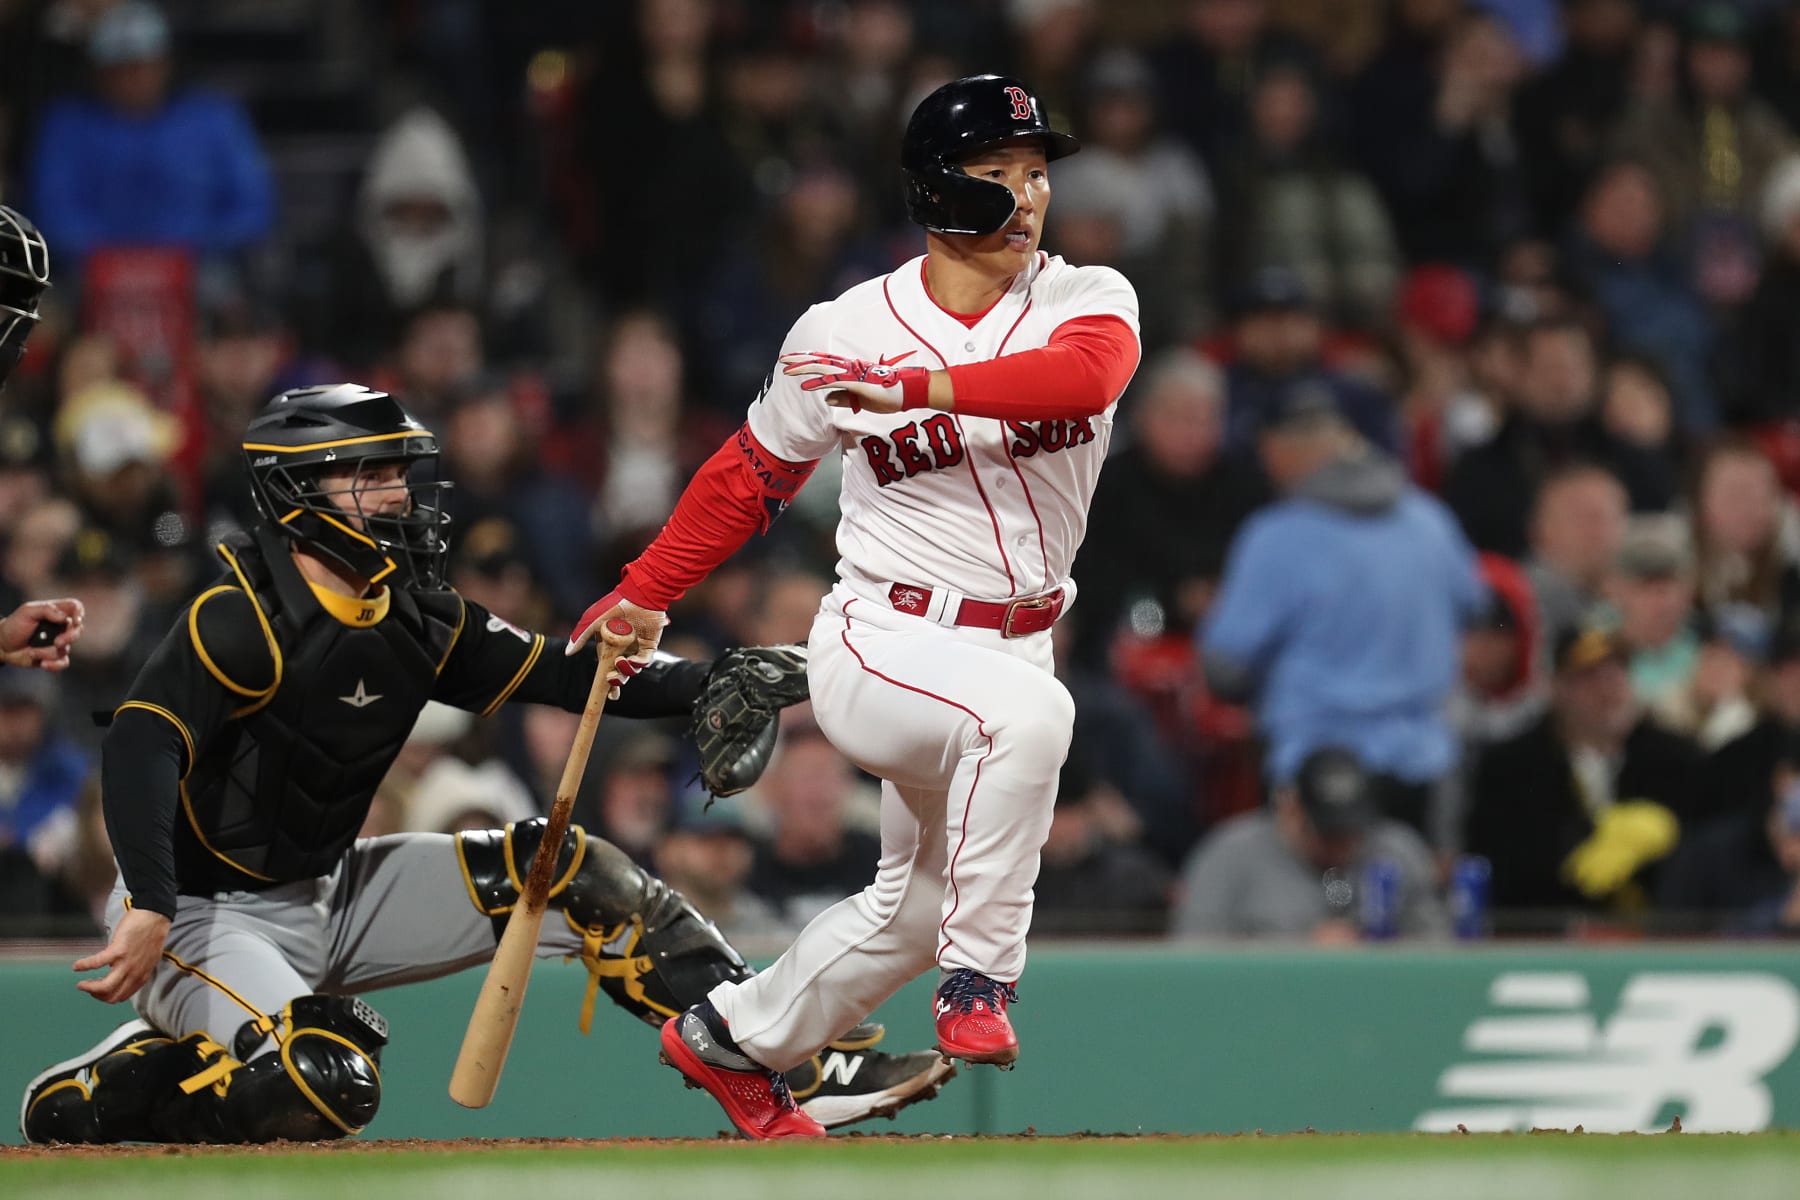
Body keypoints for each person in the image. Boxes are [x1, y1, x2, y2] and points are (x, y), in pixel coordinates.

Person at [17, 384, 952, 1146]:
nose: (399, 494)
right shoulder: (238, 615)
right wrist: (146, 899)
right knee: (322, 1087)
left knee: (574, 867)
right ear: (300, 492)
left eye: (398, 472)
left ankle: (782, 1056)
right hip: (197, 914)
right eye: (370, 475)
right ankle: (124, 1084)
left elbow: (570, 677)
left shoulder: (417, 616)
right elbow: (142, 742)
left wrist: (719, 677)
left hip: (329, 890)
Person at [565, 75, 1140, 1138]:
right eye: (996, 175)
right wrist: (645, 592)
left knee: (914, 907)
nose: (1026, 198)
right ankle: (980, 984)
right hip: (885, 637)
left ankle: (732, 1036)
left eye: (1036, 173)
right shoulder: (844, 328)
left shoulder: (1086, 298)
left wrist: (922, 393)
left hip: (1020, 640)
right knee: (1031, 727)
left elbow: (1084, 383)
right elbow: (750, 474)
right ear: (934, 191)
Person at [1201, 384, 1485, 837]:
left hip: (1316, 773)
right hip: (1425, 766)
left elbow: (1224, 669)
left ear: (1282, 448)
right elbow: (1477, 612)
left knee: (1313, 906)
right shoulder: (1429, 520)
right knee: (1408, 900)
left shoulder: (1276, 537)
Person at [1466, 624, 1703, 919]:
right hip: (1547, 939)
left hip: (1655, 938)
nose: (1609, 689)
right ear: (1557, 688)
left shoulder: (1677, 757)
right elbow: (1501, 866)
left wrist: (1668, 835)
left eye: (1618, 672)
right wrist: (1584, 838)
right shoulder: (1511, 765)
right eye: (1590, 677)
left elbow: (1704, 861)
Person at [1172, 746, 1447, 939]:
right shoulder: (1230, 856)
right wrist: (1297, 952)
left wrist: (1376, 948)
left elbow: (1441, 944)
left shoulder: (1396, 850)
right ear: (1290, 809)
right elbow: (1192, 952)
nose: (1343, 845)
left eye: (1353, 831)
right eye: (1328, 833)